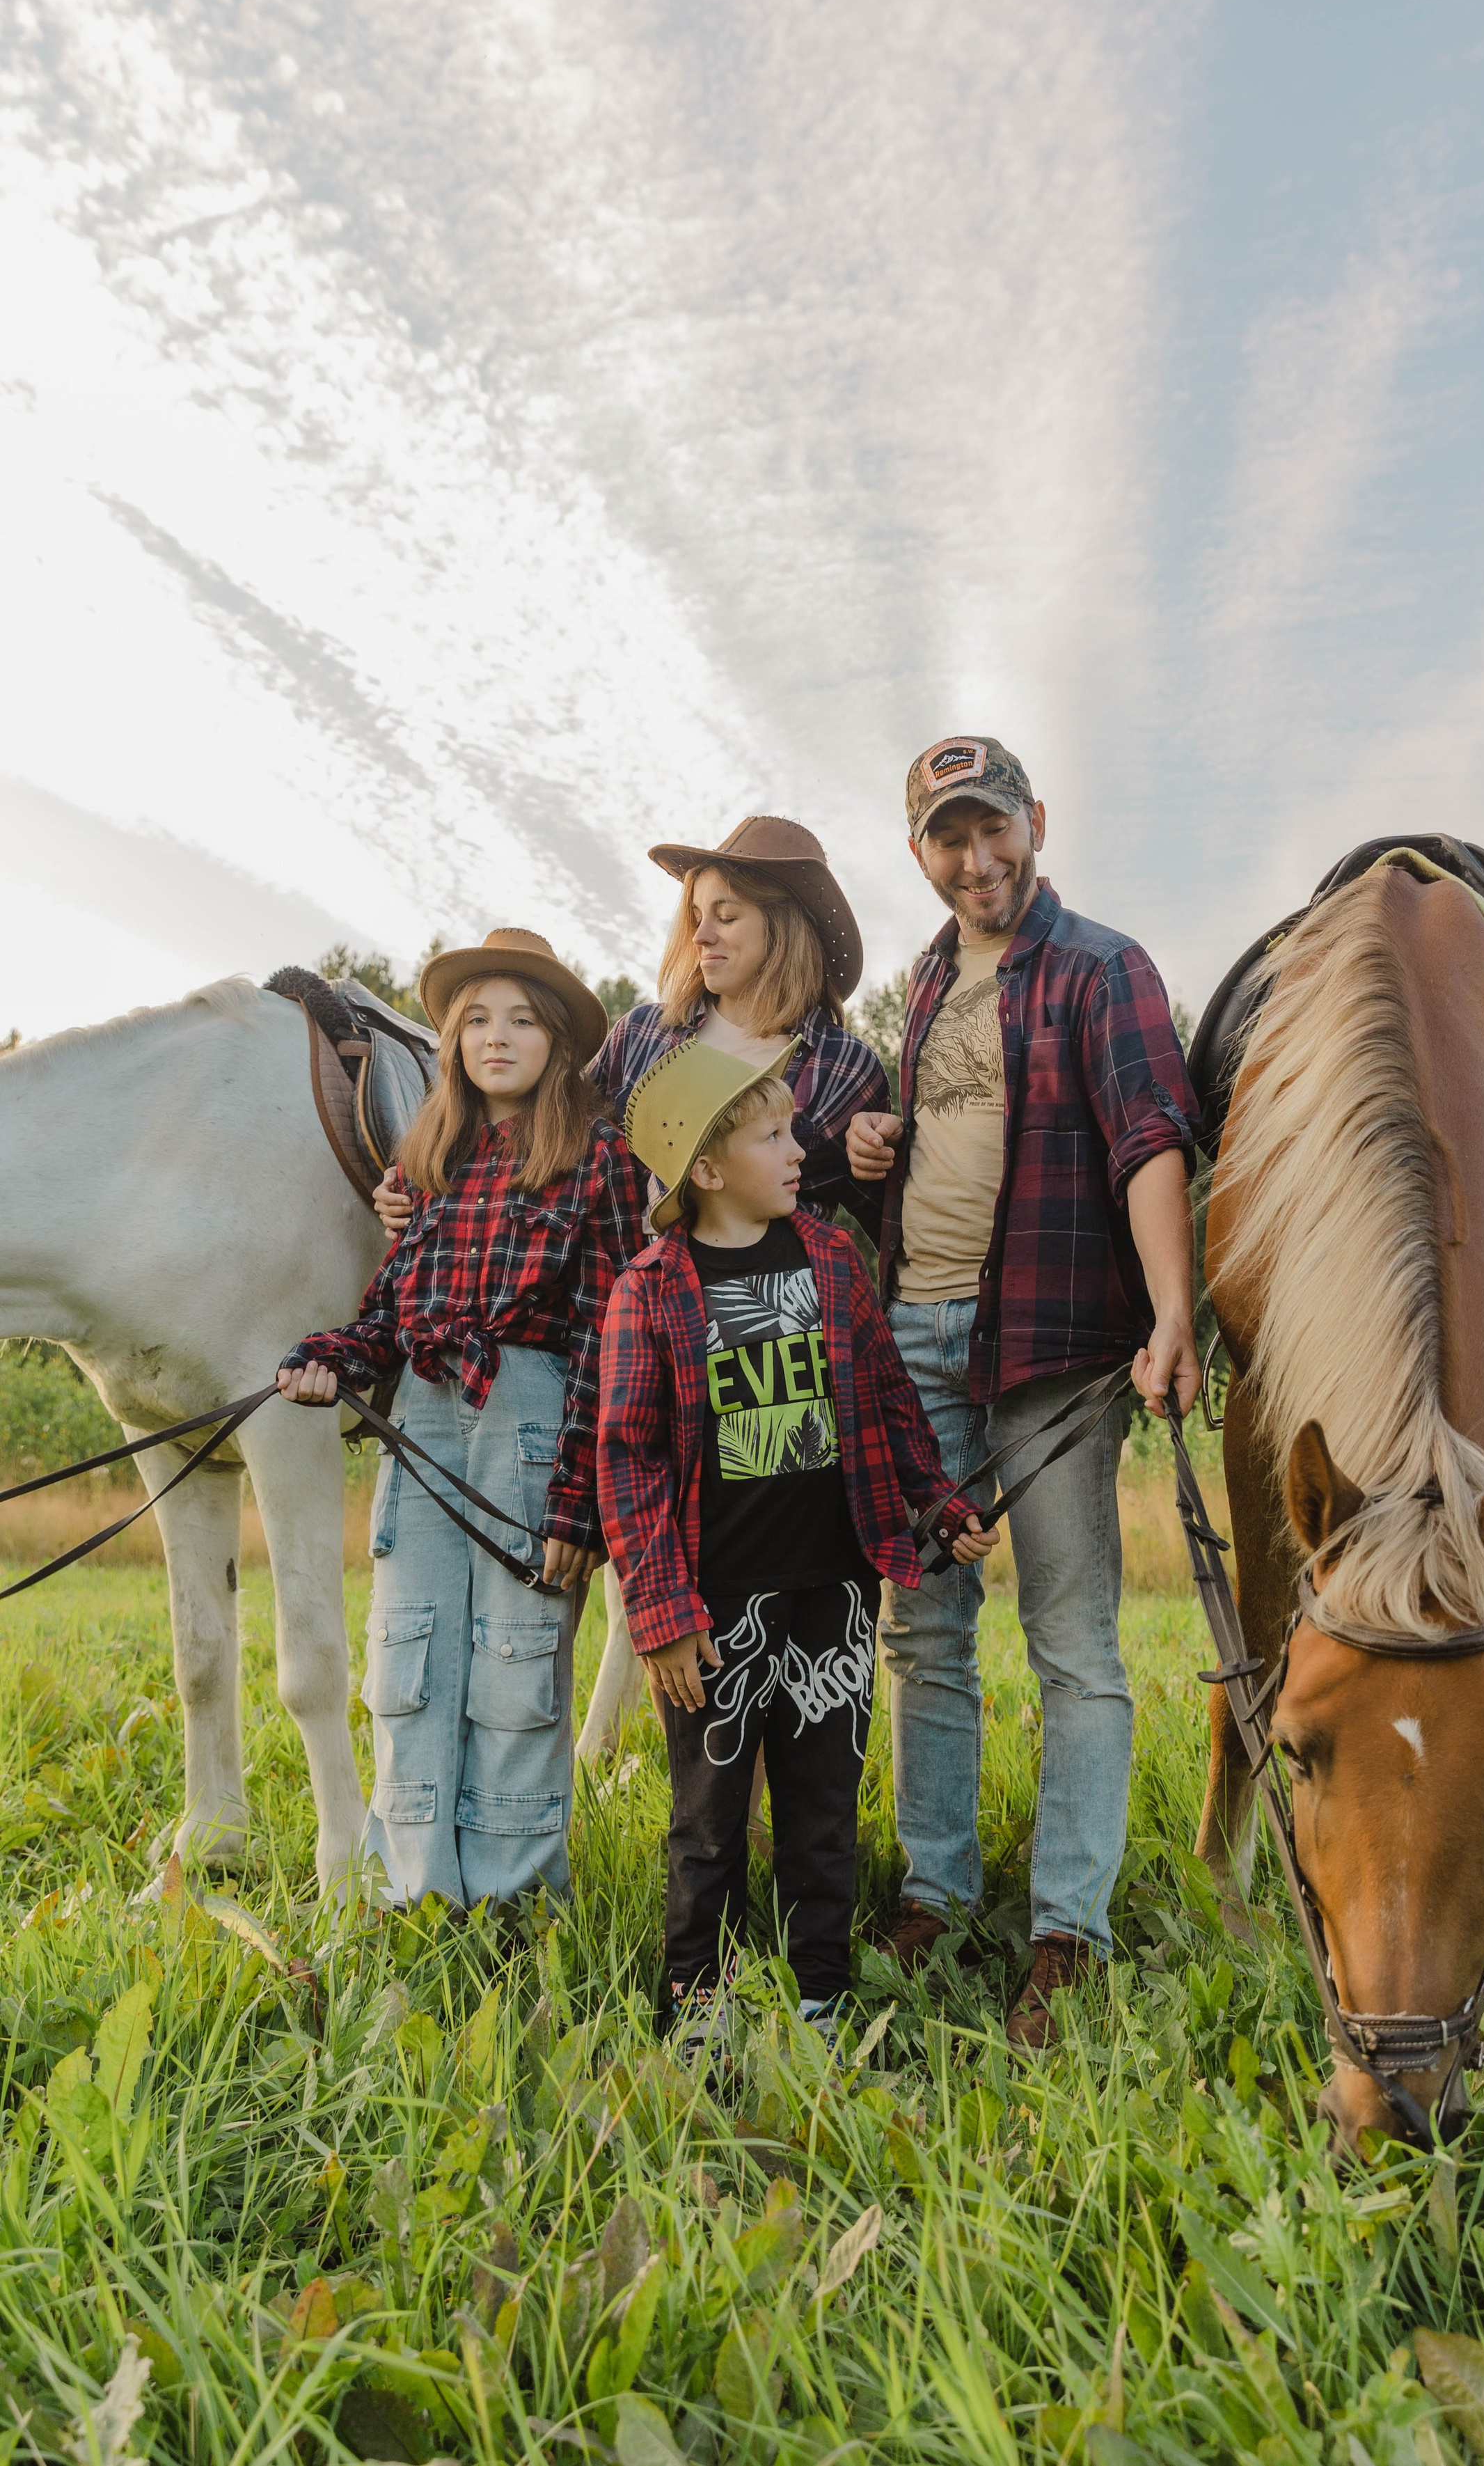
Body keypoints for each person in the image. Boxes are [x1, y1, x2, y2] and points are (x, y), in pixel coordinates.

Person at [846, 737, 1201, 2050]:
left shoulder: (1105, 966)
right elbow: (934, 1132)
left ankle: (1069, 1928)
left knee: (1073, 1640)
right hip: (915, 1336)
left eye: (993, 827)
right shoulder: (929, 980)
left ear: (1037, 821)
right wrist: (874, 1144)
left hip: (1051, 1344)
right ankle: (936, 1888)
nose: (975, 857)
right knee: (924, 1629)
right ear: (921, 852)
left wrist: (1172, 1310)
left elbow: (1152, 1136)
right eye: (949, 836)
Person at [599, 1042, 995, 2055]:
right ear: (709, 1169)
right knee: (710, 1822)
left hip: (834, 1589)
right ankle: (699, 2011)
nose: (799, 1149)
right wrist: (661, 1617)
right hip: (713, 1612)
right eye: (773, 1135)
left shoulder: (829, 1258)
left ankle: (817, 1999)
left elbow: (893, 1405)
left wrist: (939, 1503)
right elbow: (630, 1466)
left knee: (823, 1809)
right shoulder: (647, 1290)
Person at [278, 930, 645, 1910]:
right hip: (426, 1425)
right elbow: (392, 1312)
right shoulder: (431, 1159)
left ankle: (514, 1899)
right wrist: (330, 1361)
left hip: (533, 1419)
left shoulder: (596, 1156)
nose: (498, 1036)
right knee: (411, 1652)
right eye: (477, 1018)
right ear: (450, 1040)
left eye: (523, 1019)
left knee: (517, 1665)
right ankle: (416, 1890)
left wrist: (580, 1504)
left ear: (560, 1043)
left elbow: (608, 1338)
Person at [372, 817, 887, 1241]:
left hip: (769, 1339)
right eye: (696, 916)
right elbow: (540, 1131)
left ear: (785, 928)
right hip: (634, 1325)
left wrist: (889, 1142)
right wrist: (416, 1182)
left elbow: (894, 1220)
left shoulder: (844, 1065)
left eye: (726, 917)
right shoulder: (643, 1034)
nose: (701, 936)